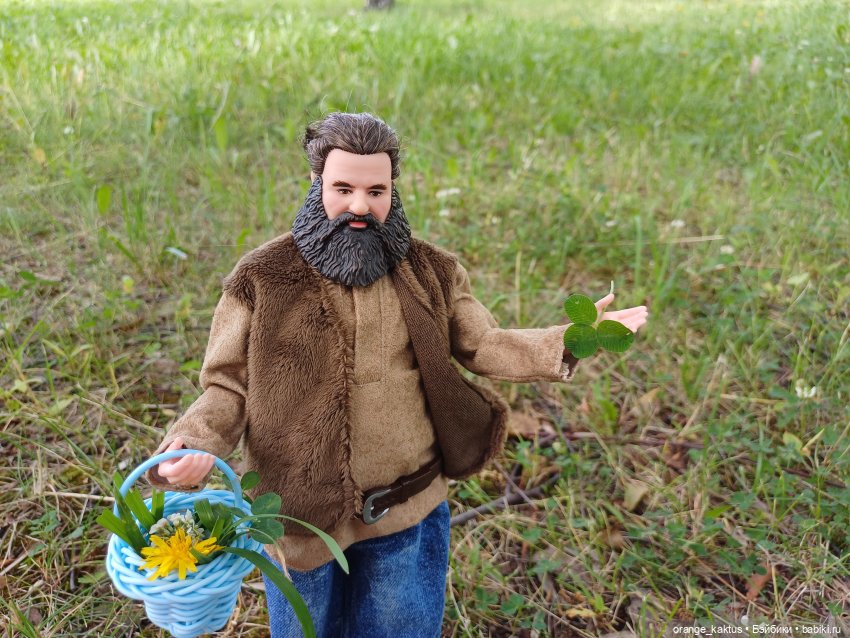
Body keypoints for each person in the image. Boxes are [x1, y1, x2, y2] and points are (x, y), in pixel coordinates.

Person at [144, 112, 648, 637]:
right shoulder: (261, 279)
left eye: (376, 191)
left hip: (406, 500)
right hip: (301, 509)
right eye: (343, 189)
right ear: (316, 183)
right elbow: (227, 384)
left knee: (399, 621)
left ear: (393, 190)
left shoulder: (432, 270)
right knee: (306, 625)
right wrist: (192, 442)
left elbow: (482, 343)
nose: (360, 206)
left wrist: (573, 338)